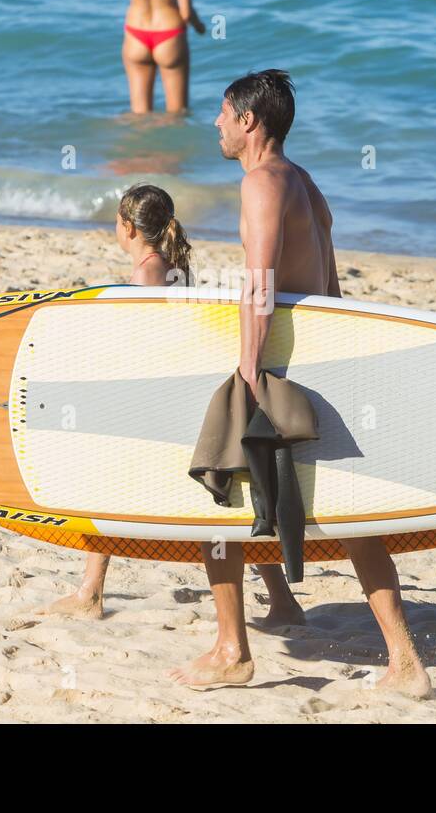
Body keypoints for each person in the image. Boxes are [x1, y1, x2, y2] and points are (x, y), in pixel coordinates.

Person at [168, 70, 432, 696]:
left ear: (249, 121)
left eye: (223, 112)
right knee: (351, 517)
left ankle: (232, 650)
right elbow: (334, 290)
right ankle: (403, 661)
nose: (216, 123)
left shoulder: (261, 184)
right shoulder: (306, 184)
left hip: (279, 360)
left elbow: (259, 283)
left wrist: (248, 370)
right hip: (323, 356)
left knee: (216, 489)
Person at [41, 184, 306, 628]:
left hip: (155, 406)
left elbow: (142, 351)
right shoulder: (168, 268)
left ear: (126, 226)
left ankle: (90, 593)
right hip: (172, 399)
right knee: (232, 502)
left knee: (102, 475)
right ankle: (282, 600)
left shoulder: (146, 275)